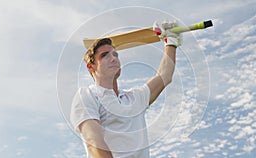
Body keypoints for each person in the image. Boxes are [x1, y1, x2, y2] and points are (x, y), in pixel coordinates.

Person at [70, 21, 181, 158]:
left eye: (115, 54)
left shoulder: (134, 98)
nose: (113, 58)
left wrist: (170, 42)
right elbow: (94, 143)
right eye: (105, 55)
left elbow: (165, 75)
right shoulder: (87, 95)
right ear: (91, 66)